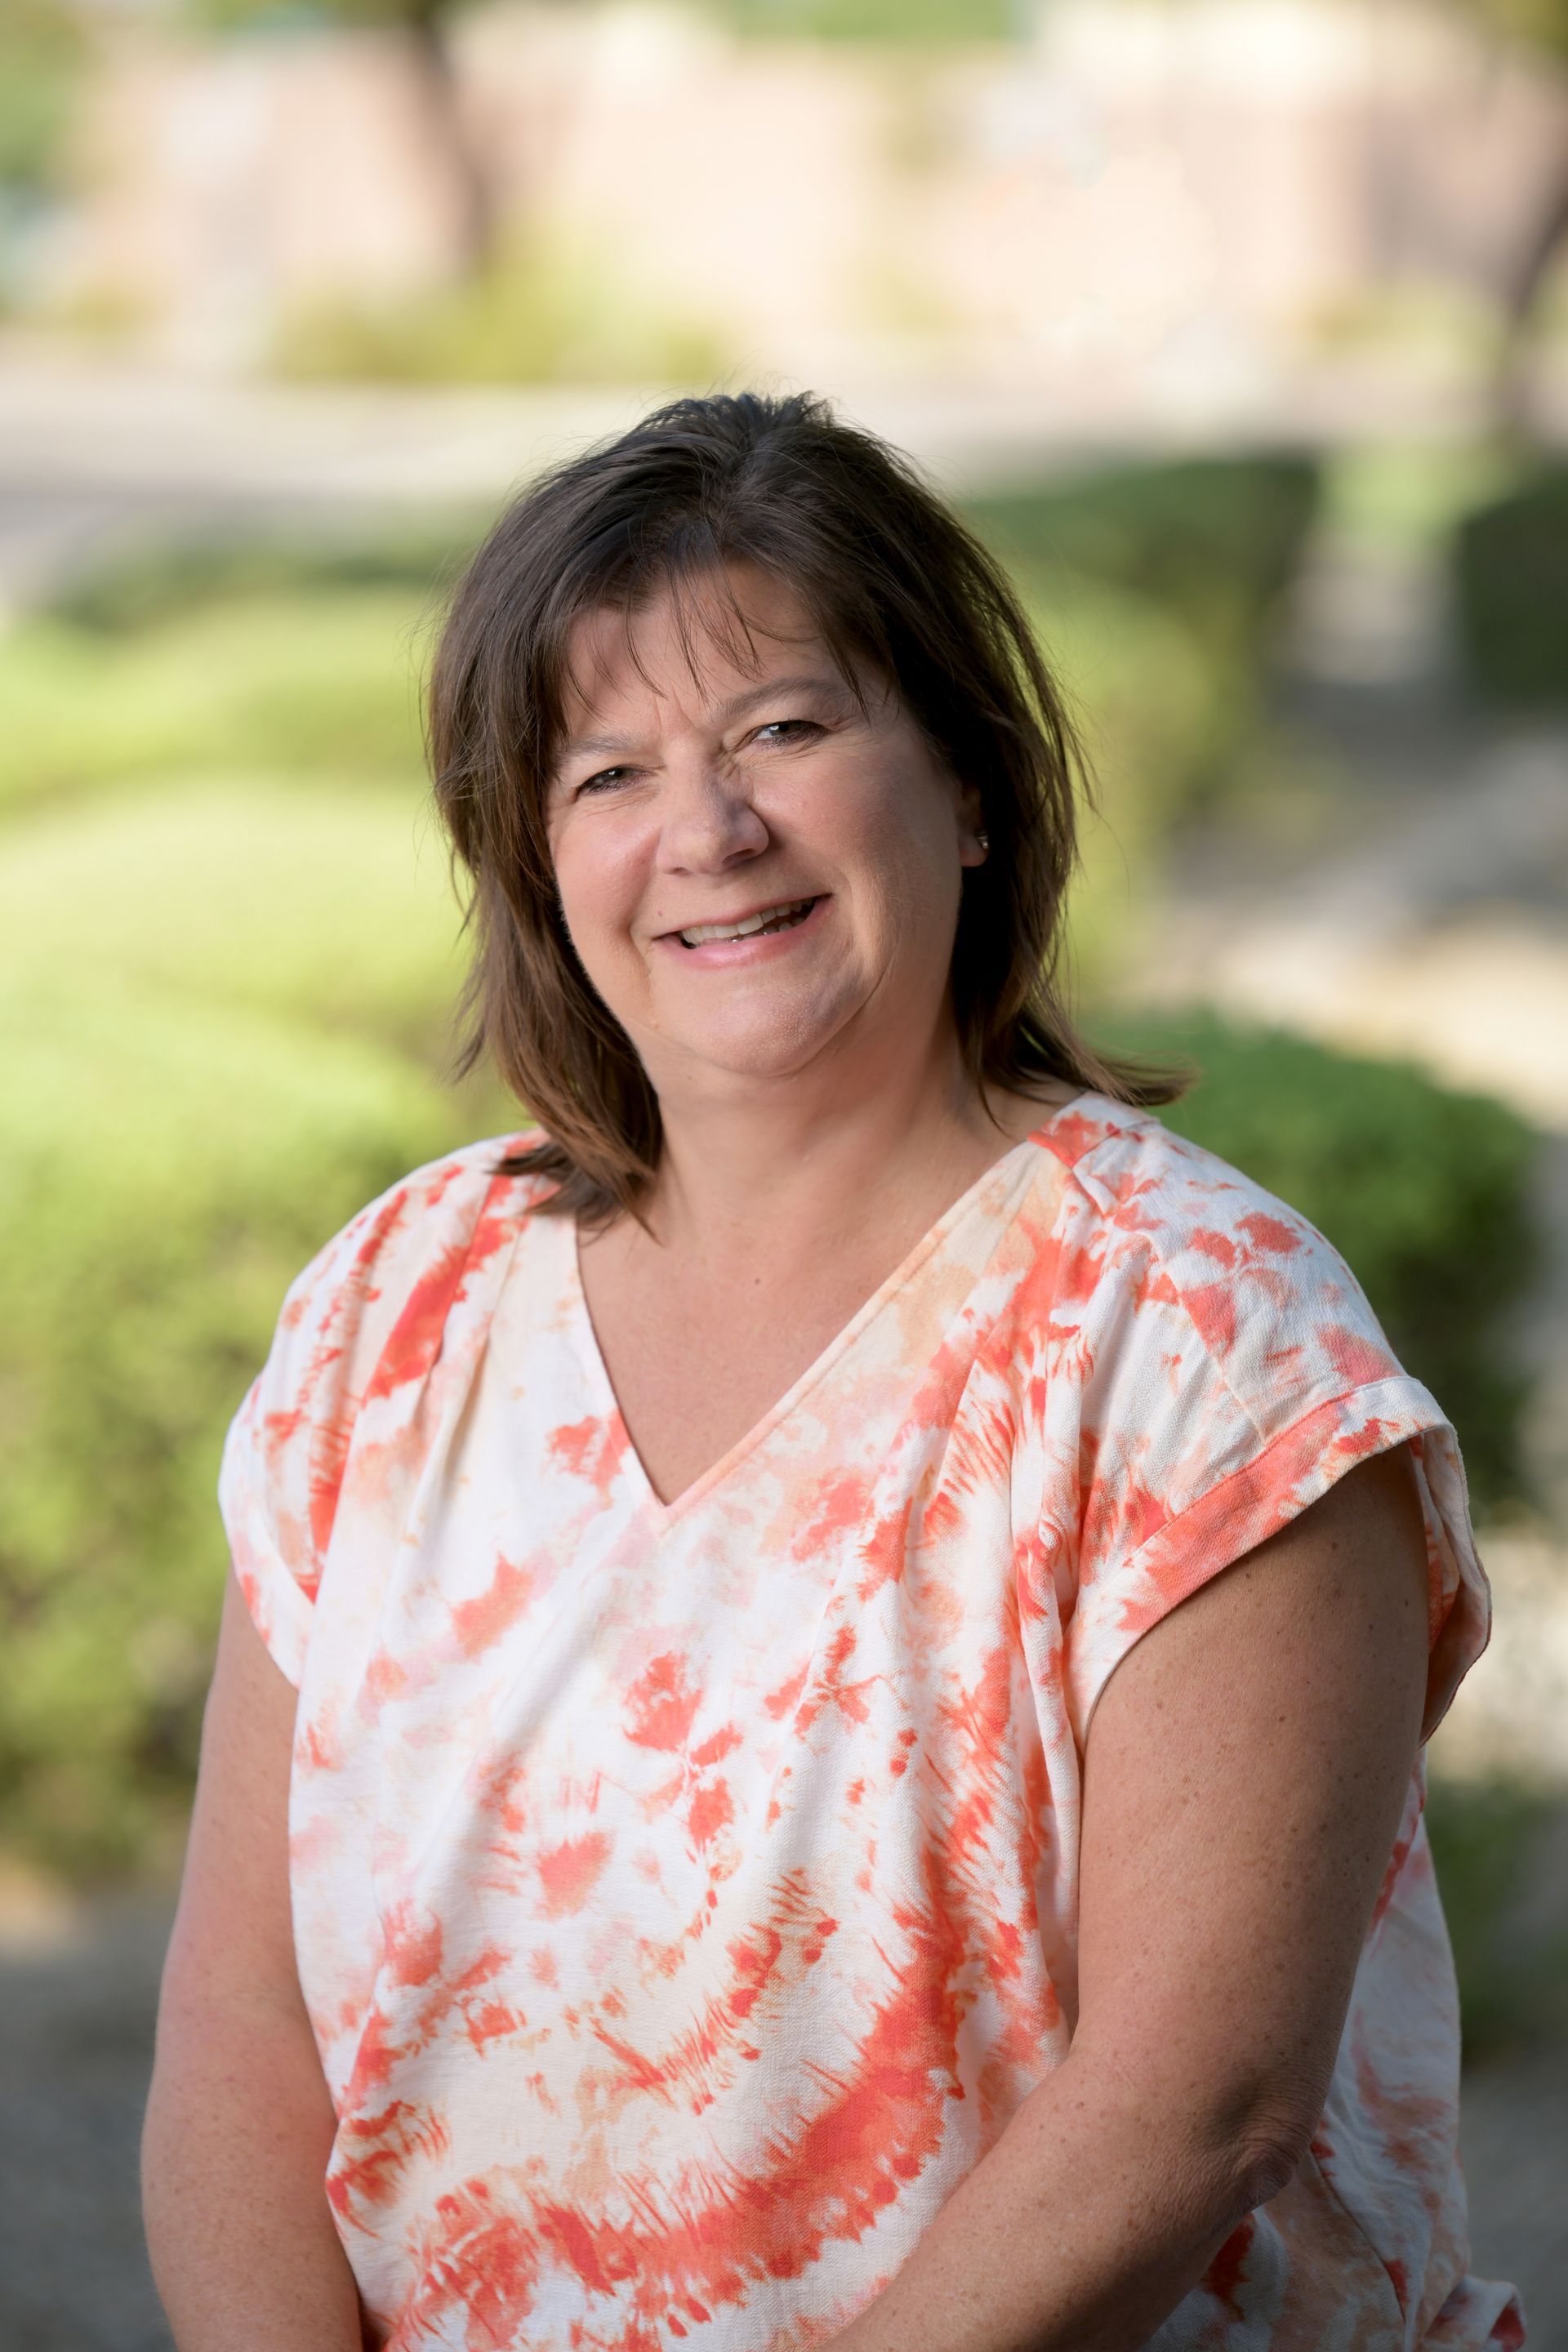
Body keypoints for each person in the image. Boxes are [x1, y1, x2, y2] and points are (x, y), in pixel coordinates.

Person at [141, 390, 1523, 2352]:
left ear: (966, 781)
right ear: (536, 863)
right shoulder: (398, 1308)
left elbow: (1193, 2105)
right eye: (605, 771)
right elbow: (239, 2021)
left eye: (784, 728)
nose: (705, 833)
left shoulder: (1204, 1339)